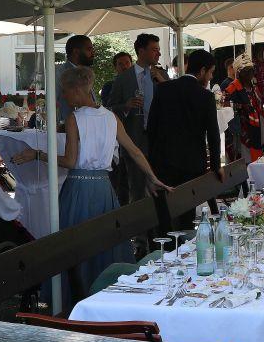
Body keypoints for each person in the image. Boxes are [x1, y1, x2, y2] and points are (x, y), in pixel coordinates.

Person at [11, 65, 169, 306]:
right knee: (105, 246)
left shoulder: (75, 118)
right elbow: (134, 151)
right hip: (104, 188)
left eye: (65, 91)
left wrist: (37, 154)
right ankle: (106, 295)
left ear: (76, 90)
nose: (63, 97)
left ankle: (75, 300)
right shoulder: (111, 117)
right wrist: (151, 176)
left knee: (73, 247)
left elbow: (70, 161)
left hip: (79, 189)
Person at [147, 48, 223, 189]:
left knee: (166, 202)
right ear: (202, 71)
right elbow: (213, 134)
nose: (211, 77)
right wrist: (216, 166)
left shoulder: (163, 89)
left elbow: (152, 127)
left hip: (163, 163)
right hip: (192, 164)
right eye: (211, 72)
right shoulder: (206, 96)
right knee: (190, 202)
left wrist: (151, 162)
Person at [108, 33, 168, 202]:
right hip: (134, 139)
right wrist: (126, 106)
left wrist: (162, 81)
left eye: (159, 50)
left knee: (161, 185)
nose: (159, 53)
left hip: (160, 140)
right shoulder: (123, 78)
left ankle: (161, 217)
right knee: (137, 188)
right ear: (141, 51)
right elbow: (110, 109)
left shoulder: (162, 76)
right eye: (154, 49)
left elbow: (173, 103)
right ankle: (141, 218)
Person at [223, 53, 264, 162]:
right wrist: (239, 107)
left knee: (257, 158)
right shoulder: (232, 88)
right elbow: (224, 107)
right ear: (238, 73)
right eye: (246, 71)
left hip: (258, 128)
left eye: (251, 70)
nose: (250, 73)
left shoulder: (254, 88)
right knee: (244, 161)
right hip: (241, 131)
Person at [55, 35, 96, 124]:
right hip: (68, 126)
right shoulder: (59, 73)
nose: (93, 53)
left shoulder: (86, 72)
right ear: (76, 52)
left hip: (89, 123)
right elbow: (52, 103)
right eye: (89, 49)